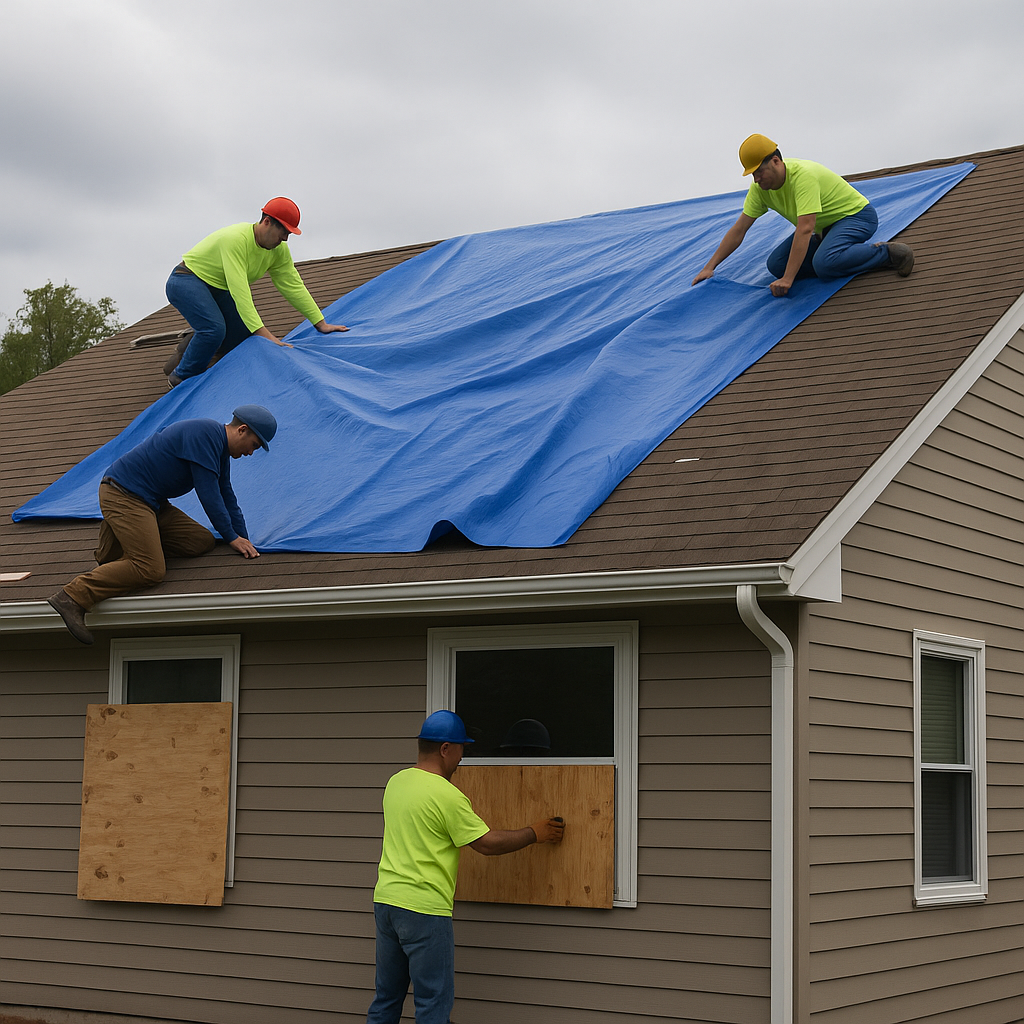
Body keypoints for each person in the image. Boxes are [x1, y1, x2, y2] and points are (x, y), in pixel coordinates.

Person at [366, 710, 565, 1024]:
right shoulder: (447, 795)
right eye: (461, 749)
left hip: (387, 903)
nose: (462, 758)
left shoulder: (396, 782)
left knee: (386, 999)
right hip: (425, 910)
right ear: (446, 749)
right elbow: (486, 843)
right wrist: (534, 833)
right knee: (432, 1004)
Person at [47, 405, 277, 646]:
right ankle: (73, 596)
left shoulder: (218, 449)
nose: (251, 453)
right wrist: (231, 537)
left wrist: (243, 538)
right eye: (254, 445)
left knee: (202, 541)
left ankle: (124, 543)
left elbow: (226, 493)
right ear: (242, 429)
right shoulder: (204, 435)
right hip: (124, 494)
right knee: (150, 569)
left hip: (153, 503)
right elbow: (209, 495)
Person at [692, 134, 915, 297]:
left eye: (759, 172)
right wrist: (709, 267)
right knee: (776, 265)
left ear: (776, 162)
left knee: (825, 264)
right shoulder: (760, 190)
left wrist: (789, 279)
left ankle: (888, 254)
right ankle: (833, 258)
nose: (756, 179)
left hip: (855, 217)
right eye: (752, 174)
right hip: (822, 229)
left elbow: (805, 228)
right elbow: (739, 229)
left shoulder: (802, 177)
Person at [165, 197, 348, 387]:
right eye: (283, 231)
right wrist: (270, 338)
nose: (285, 238)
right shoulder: (236, 240)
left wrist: (320, 323)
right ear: (267, 222)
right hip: (186, 280)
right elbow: (240, 293)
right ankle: (180, 377)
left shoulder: (279, 250)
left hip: (217, 287)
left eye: (289, 234)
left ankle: (192, 346)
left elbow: (292, 285)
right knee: (214, 329)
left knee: (242, 333)